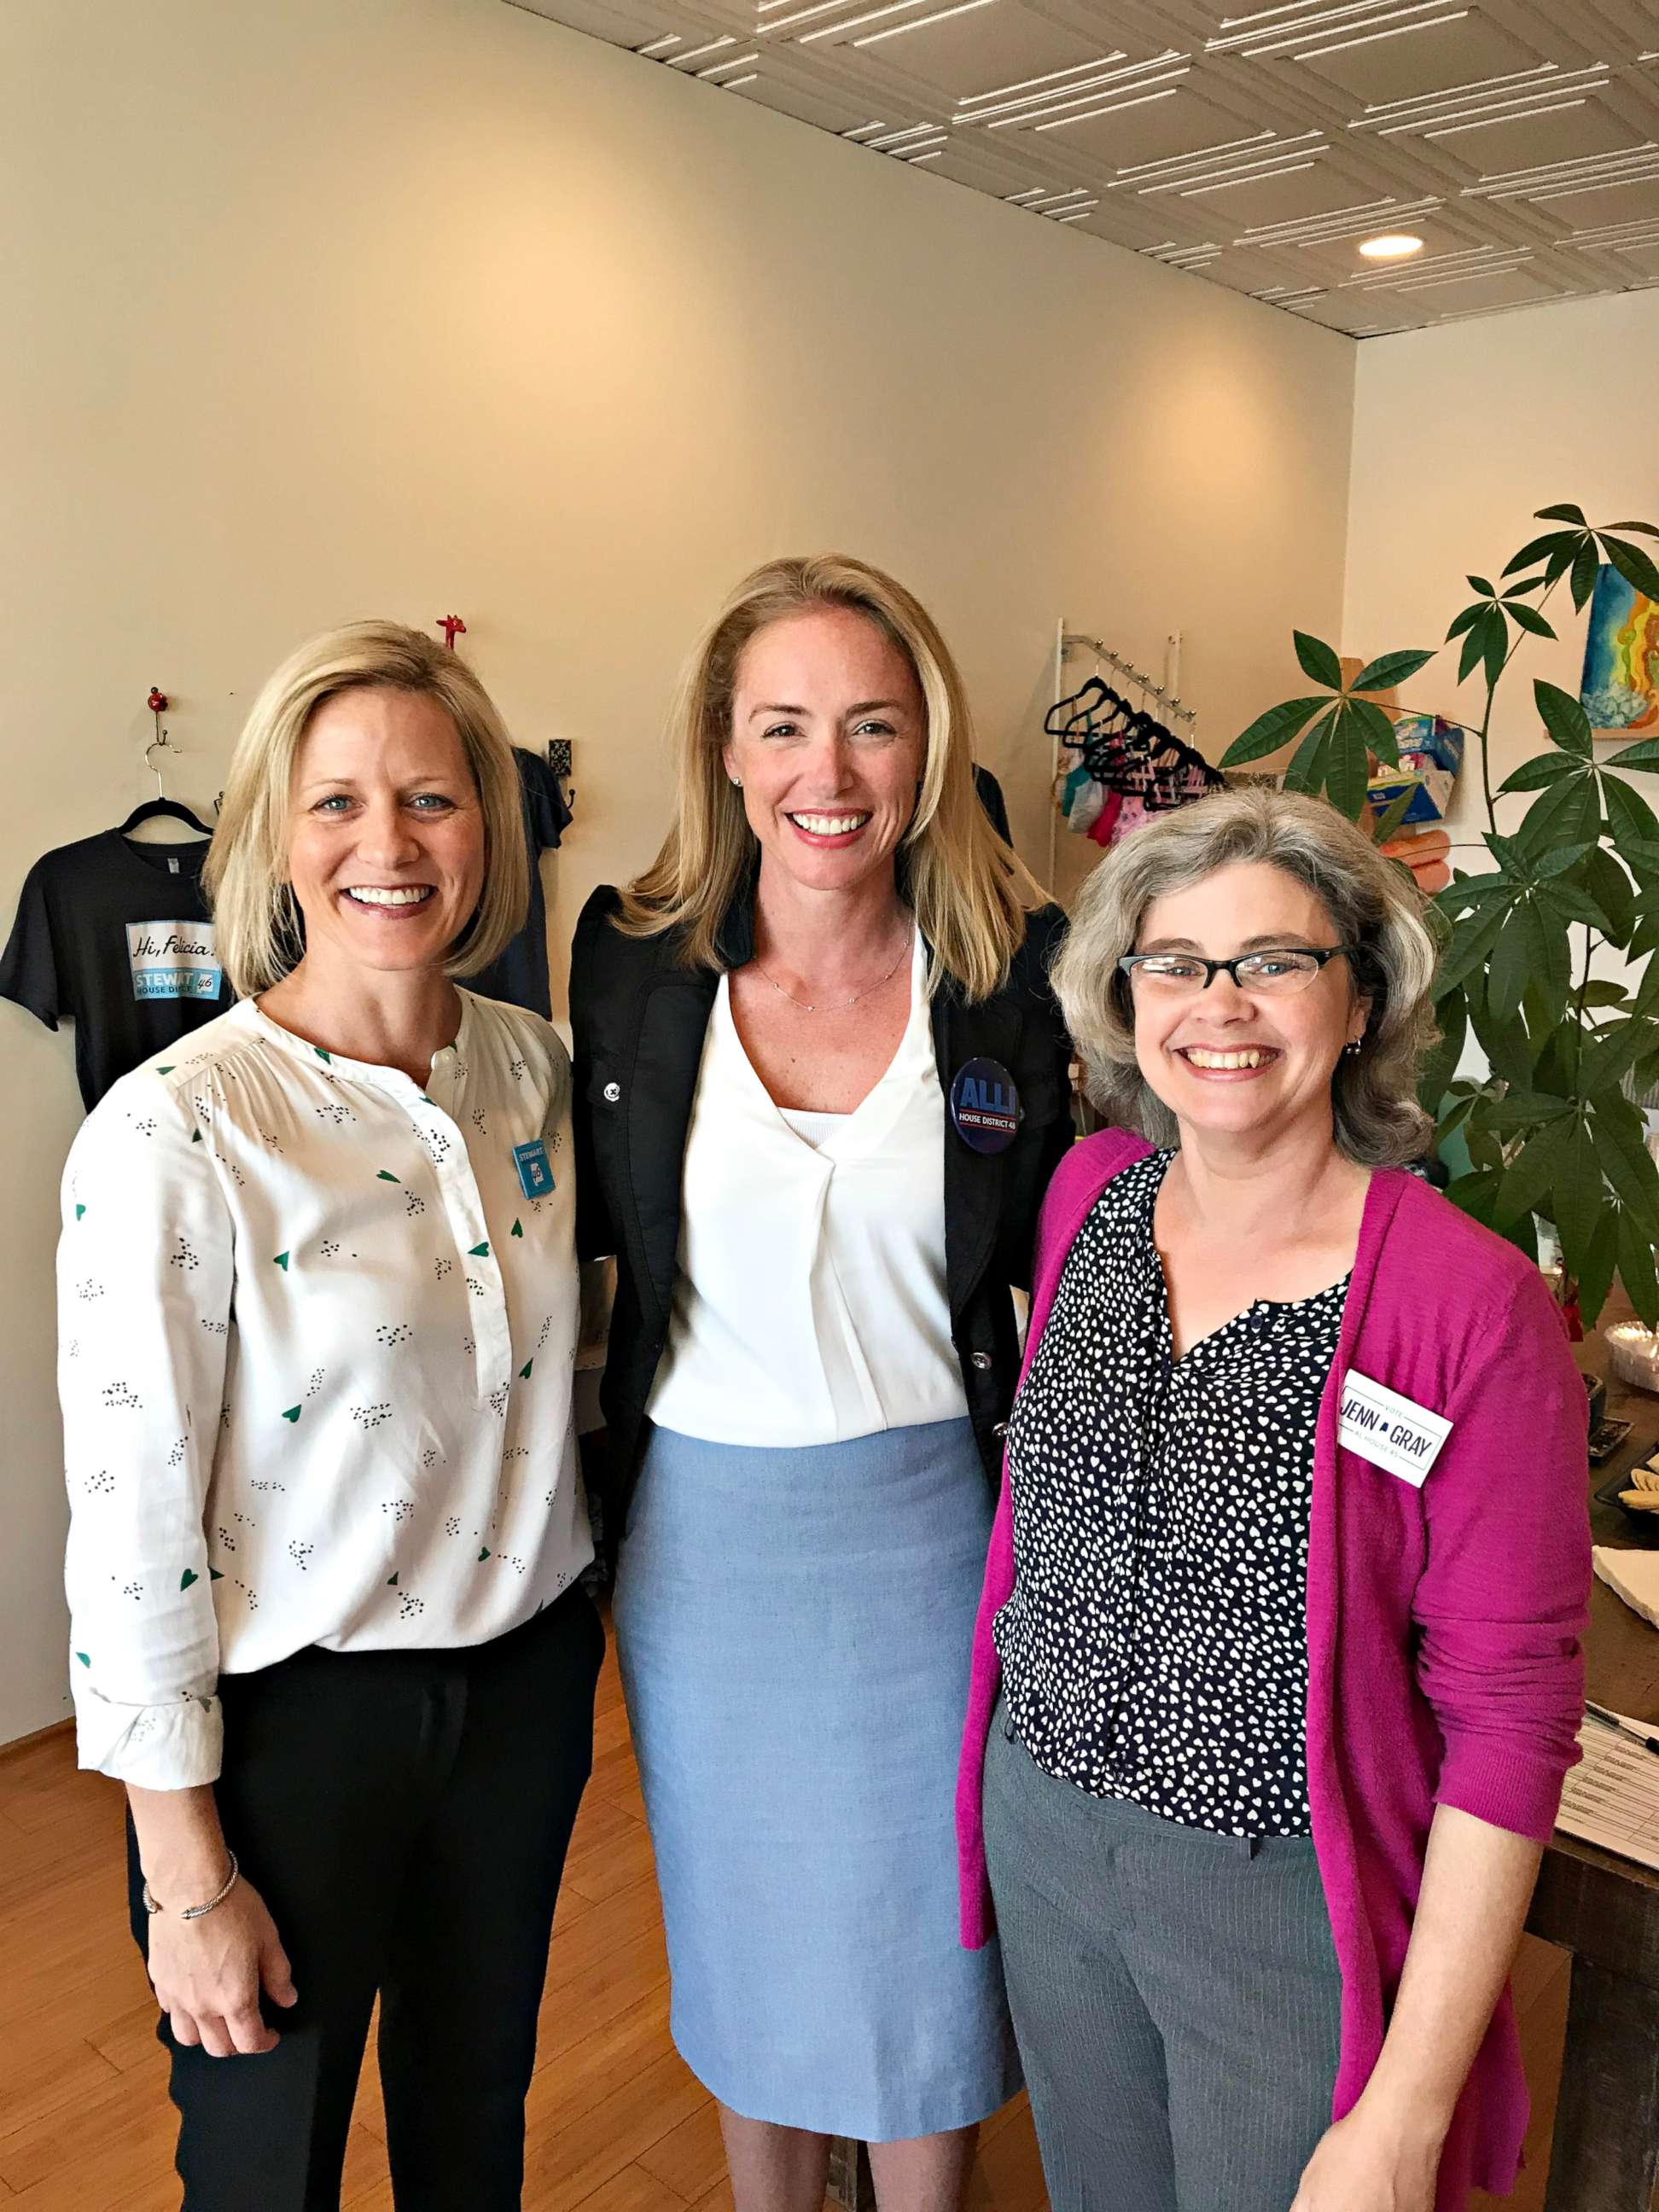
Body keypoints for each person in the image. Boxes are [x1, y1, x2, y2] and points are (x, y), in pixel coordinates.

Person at [956, 786, 1591, 2212]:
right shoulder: (1089, 1196)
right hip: (1046, 1837)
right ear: (1125, 997)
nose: (1218, 1005)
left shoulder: (1464, 1305)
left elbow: (1512, 1716)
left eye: (1274, 961)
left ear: (1359, 997)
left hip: (1280, 1895)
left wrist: (1404, 2118)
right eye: (1174, 961)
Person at [58, 620, 602, 2212]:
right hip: (294, 1725)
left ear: (488, 827)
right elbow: (133, 1512)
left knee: (472, 2126)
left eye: (430, 801)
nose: (389, 846)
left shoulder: (541, 1073)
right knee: (261, 2167)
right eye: (338, 804)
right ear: (274, 840)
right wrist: (186, 1873)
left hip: (521, 1691)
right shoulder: (179, 1127)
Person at [569, 555, 1073, 2212]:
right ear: (724, 747)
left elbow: (1081, 1255)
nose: (828, 774)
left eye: (871, 725)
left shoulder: (1019, 971)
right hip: (705, 1552)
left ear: (926, 745)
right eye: (783, 727)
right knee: (747, 1932)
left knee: (930, 1946)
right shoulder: (631, 962)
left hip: (933, 1535)